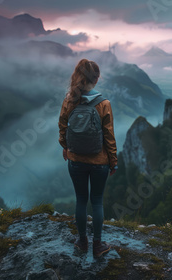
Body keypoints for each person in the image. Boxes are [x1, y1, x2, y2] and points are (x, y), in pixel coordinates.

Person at [58, 59, 118, 258]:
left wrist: (66, 147)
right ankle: (98, 245)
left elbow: (63, 127)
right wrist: (113, 160)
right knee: (98, 201)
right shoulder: (104, 104)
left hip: (75, 160)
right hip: (99, 162)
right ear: (97, 79)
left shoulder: (69, 100)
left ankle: (82, 241)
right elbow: (109, 135)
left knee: (81, 200)